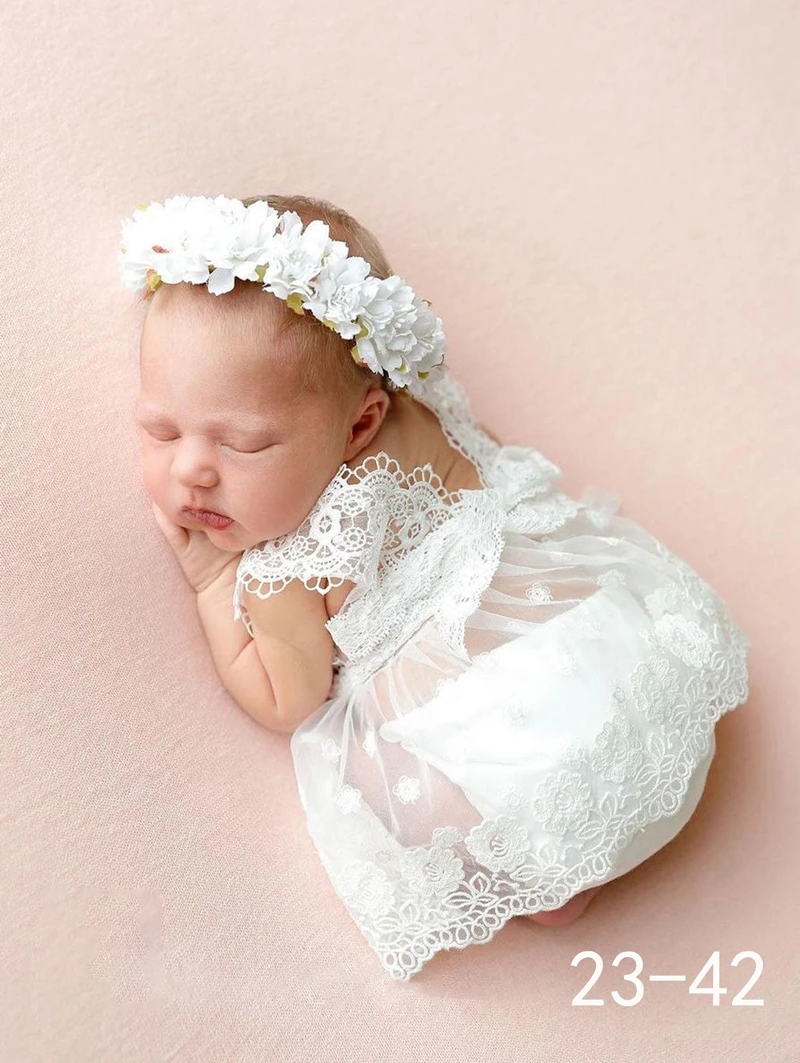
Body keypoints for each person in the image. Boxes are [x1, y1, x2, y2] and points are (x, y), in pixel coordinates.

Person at [123, 193, 751, 982]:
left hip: (509, 764)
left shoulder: (289, 566)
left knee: (390, 785)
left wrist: (217, 582)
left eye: (242, 444)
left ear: (358, 423)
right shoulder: (424, 410)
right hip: (612, 671)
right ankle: (614, 797)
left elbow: (288, 700)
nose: (191, 470)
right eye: (161, 430)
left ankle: (547, 887)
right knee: (561, 604)